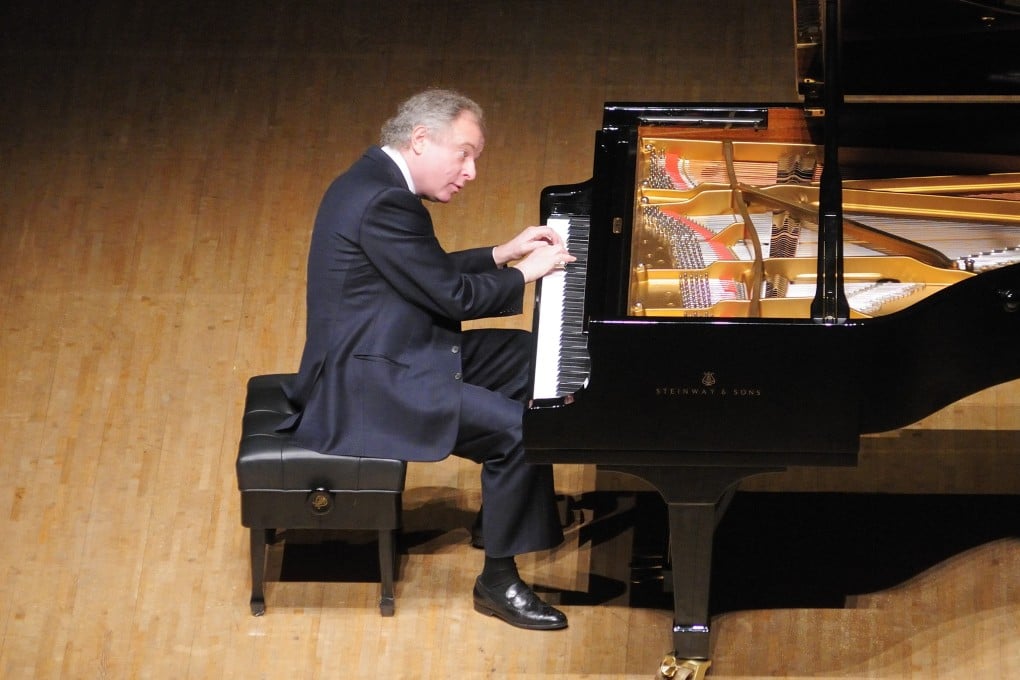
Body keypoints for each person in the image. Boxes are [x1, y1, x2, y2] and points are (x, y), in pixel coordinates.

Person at [280, 89, 576, 630]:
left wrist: (500, 254)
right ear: (420, 139)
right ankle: (498, 579)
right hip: (367, 382)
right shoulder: (382, 200)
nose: (471, 172)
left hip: (397, 348)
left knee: (532, 357)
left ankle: (504, 515)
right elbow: (453, 297)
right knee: (519, 430)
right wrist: (526, 273)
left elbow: (425, 270)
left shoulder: (374, 183)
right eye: (463, 154)